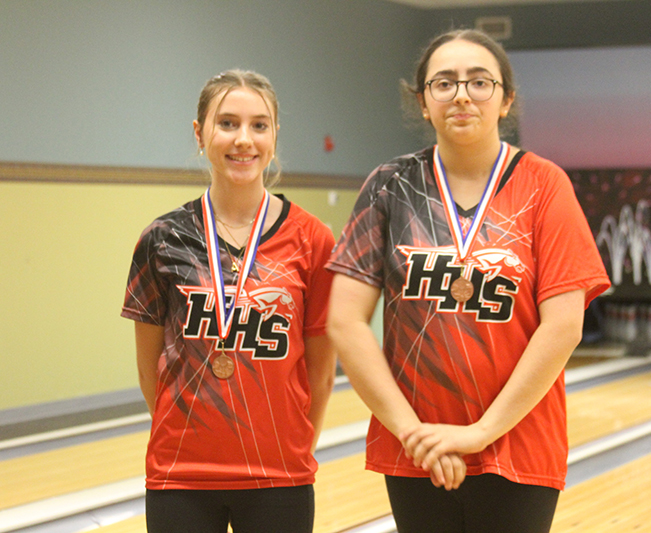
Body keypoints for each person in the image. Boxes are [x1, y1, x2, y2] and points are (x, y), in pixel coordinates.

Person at [325, 30, 610, 533]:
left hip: (517, 443)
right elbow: (344, 322)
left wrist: (480, 433)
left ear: (506, 100)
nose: (461, 94)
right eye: (444, 83)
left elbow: (563, 327)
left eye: (480, 82)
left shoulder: (545, 184)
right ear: (424, 101)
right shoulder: (390, 185)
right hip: (414, 445)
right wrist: (414, 434)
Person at [121, 69, 336, 533]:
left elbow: (320, 372)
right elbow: (149, 368)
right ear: (200, 134)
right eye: (228, 123)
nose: (244, 139)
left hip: (281, 477)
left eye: (260, 125)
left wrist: (294, 447)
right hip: (180, 477)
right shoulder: (161, 240)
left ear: (275, 135)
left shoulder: (314, 240)